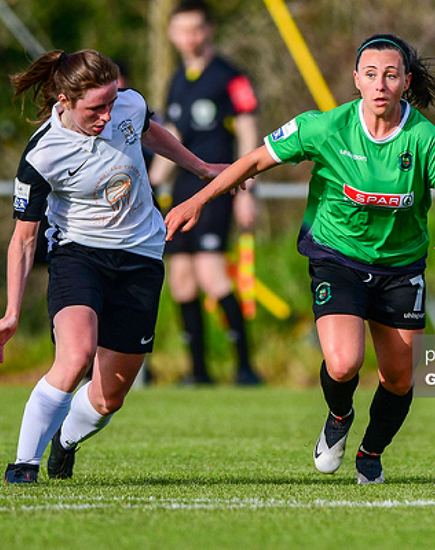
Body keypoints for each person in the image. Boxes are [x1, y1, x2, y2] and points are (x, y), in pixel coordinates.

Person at [165, 34, 435, 484]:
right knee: (343, 363)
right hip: (337, 256)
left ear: (406, 81)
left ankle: (370, 451)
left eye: (391, 75)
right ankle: (339, 417)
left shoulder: (425, 140)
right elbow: (254, 160)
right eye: (371, 74)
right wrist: (197, 201)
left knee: (398, 378)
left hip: (400, 267)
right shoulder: (326, 127)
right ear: (356, 80)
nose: (380, 84)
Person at [0, 49, 226, 484]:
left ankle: (65, 442)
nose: (107, 114)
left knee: (109, 397)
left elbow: (150, 133)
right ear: (65, 99)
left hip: (141, 256)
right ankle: (22, 465)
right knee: (76, 355)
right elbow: (23, 239)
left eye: (112, 102)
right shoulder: (43, 155)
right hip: (79, 254)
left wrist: (203, 168)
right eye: (96, 108)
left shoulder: (127, 105)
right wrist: (12, 313)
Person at [150, 0, 261, 386]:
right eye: (181, 30)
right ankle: (198, 371)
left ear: (209, 29)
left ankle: (245, 367)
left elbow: (249, 131)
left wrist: (248, 189)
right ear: (171, 34)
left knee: (211, 273)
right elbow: (173, 139)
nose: (189, 38)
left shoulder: (231, 76)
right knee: (180, 277)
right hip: (181, 190)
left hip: (220, 187)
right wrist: (149, 184)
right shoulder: (177, 79)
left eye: (196, 29)